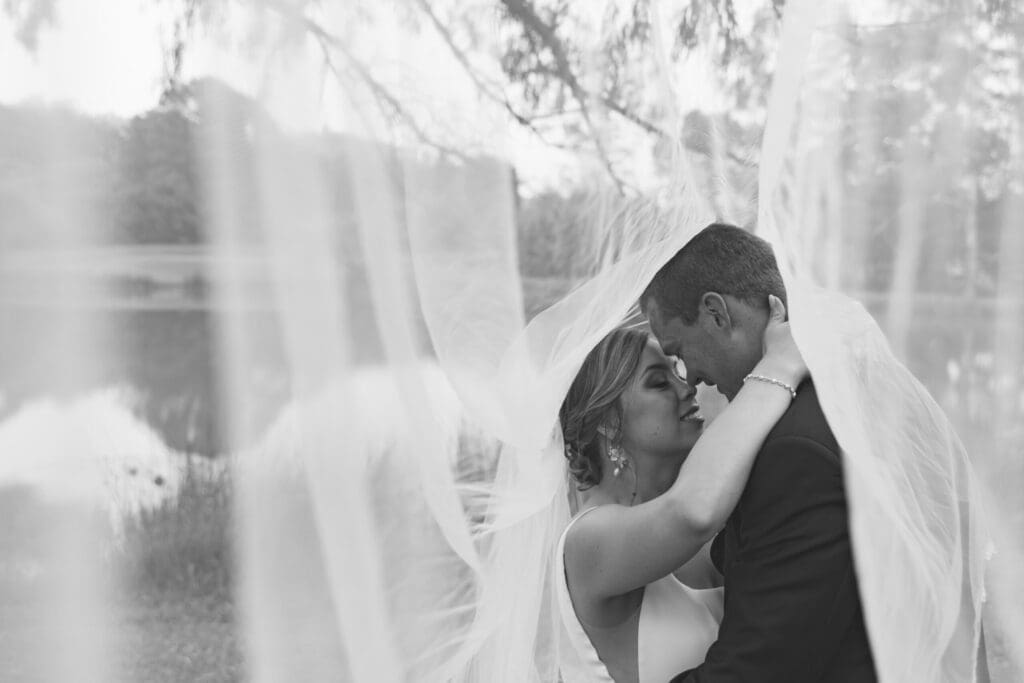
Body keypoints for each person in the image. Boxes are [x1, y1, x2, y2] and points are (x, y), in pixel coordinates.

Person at [640, 223, 877, 682]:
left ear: (716, 313)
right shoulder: (846, 390)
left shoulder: (795, 450)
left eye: (679, 352)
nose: (691, 379)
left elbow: (759, 668)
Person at [556, 293, 806, 683]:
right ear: (608, 422)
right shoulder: (587, 542)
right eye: (659, 382)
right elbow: (692, 513)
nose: (687, 384)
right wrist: (780, 365)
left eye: (676, 369)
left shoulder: (706, 521)